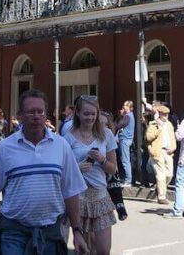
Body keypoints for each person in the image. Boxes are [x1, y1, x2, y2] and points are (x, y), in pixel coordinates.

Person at [0, 89, 89, 255]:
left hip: (50, 233)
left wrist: (77, 231)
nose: (36, 116)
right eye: (31, 112)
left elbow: (71, 192)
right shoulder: (5, 149)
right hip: (14, 234)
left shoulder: (61, 146)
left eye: (40, 111)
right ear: (20, 116)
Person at [62, 96, 118, 253]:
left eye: (93, 114)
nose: (90, 117)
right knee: (84, 250)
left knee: (103, 250)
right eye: (86, 114)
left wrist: (102, 160)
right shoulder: (68, 137)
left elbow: (113, 169)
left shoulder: (106, 134)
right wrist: (76, 168)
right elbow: (62, 170)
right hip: (78, 197)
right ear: (78, 113)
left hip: (100, 195)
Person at [144, 105, 175, 205]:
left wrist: (174, 147)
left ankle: (160, 188)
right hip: (158, 151)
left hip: (168, 151)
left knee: (169, 174)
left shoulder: (169, 124)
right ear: (160, 114)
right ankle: (161, 197)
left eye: (167, 114)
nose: (166, 116)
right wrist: (159, 129)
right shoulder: (153, 124)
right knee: (160, 174)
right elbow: (148, 137)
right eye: (164, 114)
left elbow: (172, 137)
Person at [100, 111, 128, 222]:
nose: (102, 125)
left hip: (107, 166)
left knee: (114, 181)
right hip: (94, 173)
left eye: (105, 123)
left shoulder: (108, 135)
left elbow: (112, 157)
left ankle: (120, 207)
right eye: (99, 122)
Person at [114, 101, 135, 187]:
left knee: (125, 160)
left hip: (125, 139)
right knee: (125, 160)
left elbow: (118, 125)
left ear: (130, 108)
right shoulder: (129, 116)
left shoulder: (127, 116)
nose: (124, 107)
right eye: (124, 105)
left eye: (126, 106)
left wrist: (121, 116)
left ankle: (128, 180)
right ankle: (127, 179)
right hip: (126, 139)